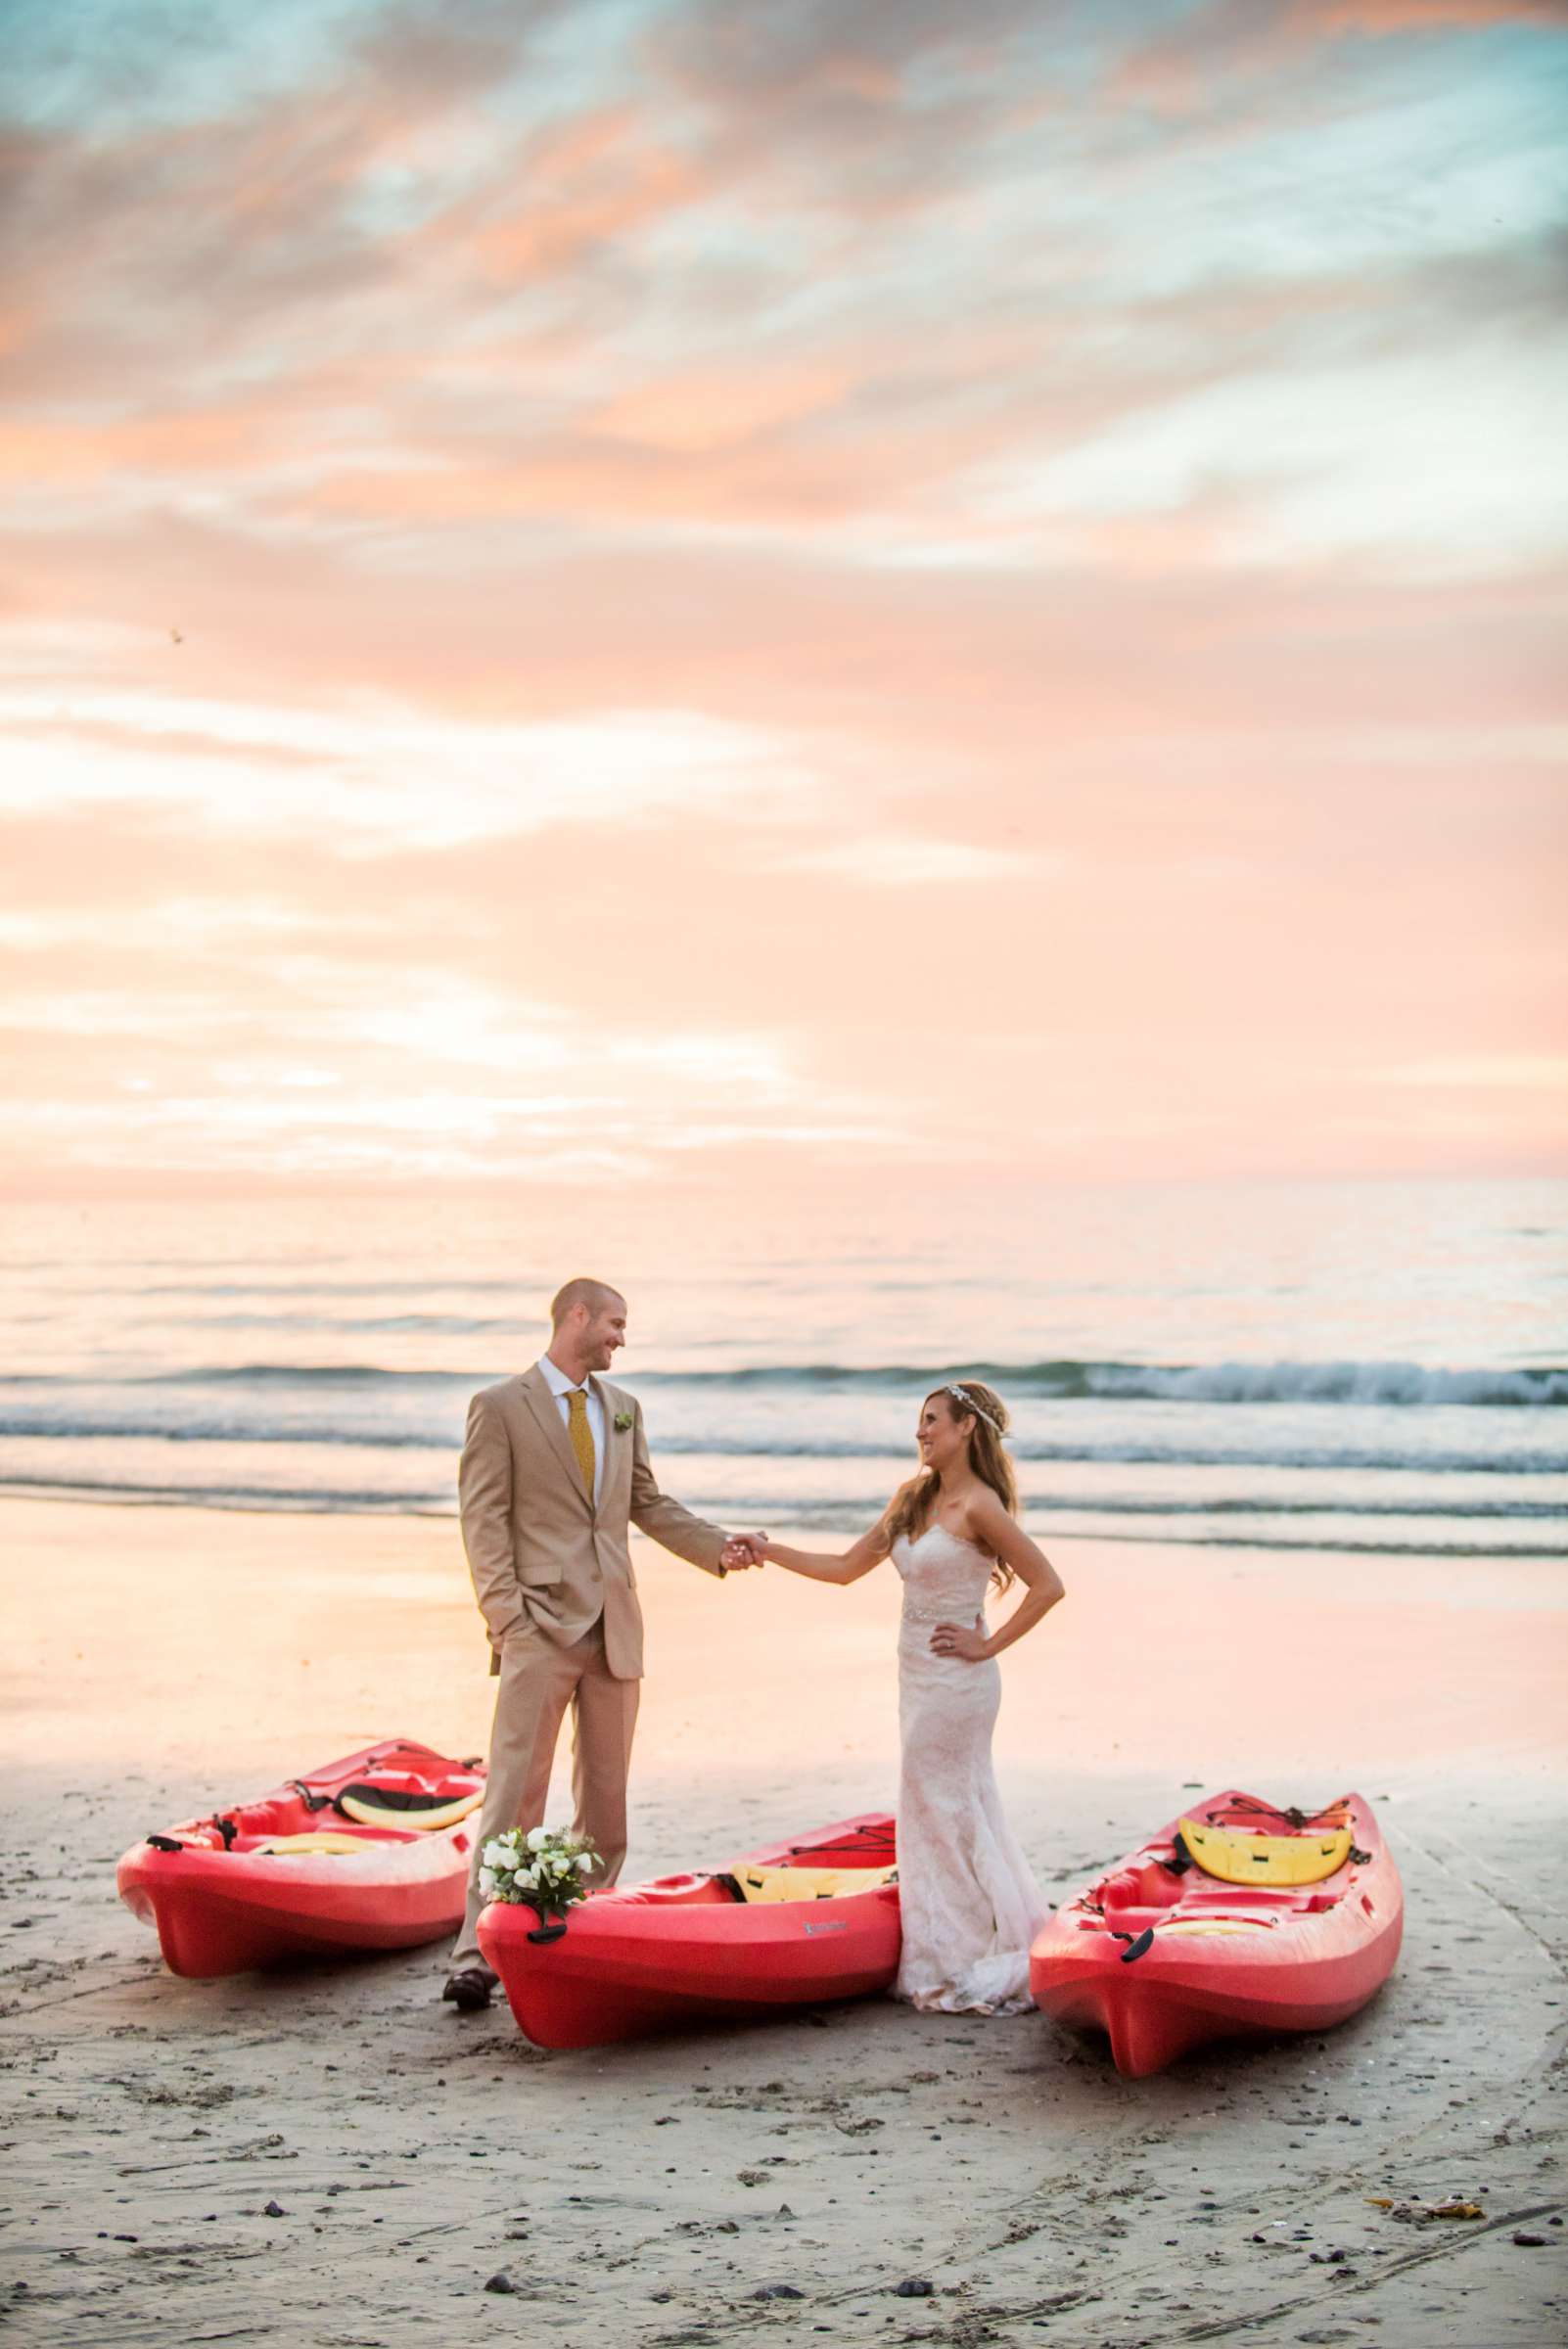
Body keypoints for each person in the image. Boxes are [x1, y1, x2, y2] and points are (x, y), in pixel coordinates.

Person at [443, 1277, 761, 2010]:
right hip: (539, 1628)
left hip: (615, 1625)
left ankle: (572, 1934)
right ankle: (475, 1953)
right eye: (615, 1322)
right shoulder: (499, 1408)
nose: (622, 1336)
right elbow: (482, 1521)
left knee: (606, 1801)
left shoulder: (622, 1411)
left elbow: (645, 1502)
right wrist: (507, 1619)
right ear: (577, 1316)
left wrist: (719, 1547)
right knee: (515, 1795)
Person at [760, 1381, 1064, 2014]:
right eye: (919, 1423)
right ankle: (947, 1945)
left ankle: (962, 1955)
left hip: (959, 1684)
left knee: (946, 1806)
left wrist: (988, 1646)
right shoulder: (913, 1496)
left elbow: (1047, 1585)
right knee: (934, 1808)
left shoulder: (979, 1506)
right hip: (915, 1677)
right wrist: (770, 1551)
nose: (921, 1432)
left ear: (966, 1430)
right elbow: (844, 1569)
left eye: (932, 1421)